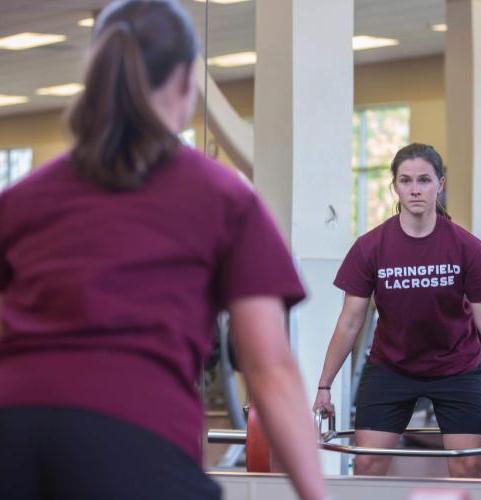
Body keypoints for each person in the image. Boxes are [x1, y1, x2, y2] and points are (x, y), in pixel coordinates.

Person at [0, 1, 327, 499]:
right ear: (186, 81)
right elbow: (268, 365)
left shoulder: (21, 199)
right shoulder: (223, 196)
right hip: (128, 435)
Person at [313, 143, 481, 478]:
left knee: (468, 465)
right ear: (395, 186)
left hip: (457, 369)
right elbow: (350, 321)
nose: (415, 189)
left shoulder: (467, 247)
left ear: (440, 184)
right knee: (367, 463)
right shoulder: (370, 247)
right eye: (406, 180)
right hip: (391, 368)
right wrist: (324, 385)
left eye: (425, 180)